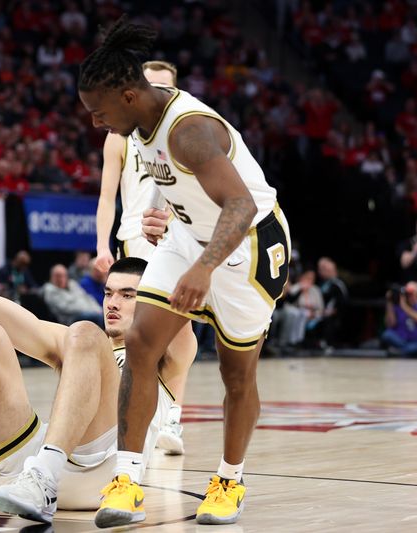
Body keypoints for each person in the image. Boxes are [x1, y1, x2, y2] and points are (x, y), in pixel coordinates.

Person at [79, 18, 291, 526]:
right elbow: (186, 187)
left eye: (98, 112)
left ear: (129, 96)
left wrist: (203, 266)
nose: (94, 123)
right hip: (190, 237)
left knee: (235, 373)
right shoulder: (137, 125)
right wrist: (166, 213)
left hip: (249, 244)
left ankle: (229, 481)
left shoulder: (189, 130)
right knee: (141, 344)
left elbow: (239, 205)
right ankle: (127, 481)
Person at [0, 215, 191, 524]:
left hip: (103, 477)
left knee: (84, 332)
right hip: (30, 470)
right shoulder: (79, 343)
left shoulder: (165, 352)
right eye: (109, 293)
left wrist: (170, 243)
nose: (112, 303)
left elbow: (185, 301)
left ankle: (45, 473)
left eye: (128, 295)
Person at [94, 59, 199, 457]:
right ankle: (130, 415)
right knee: (132, 338)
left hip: (174, 243)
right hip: (131, 244)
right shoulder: (118, 136)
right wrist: (103, 245)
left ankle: (171, 413)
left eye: (163, 86)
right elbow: (106, 197)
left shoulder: (185, 137)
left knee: (180, 328)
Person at [381, 282, 417, 357]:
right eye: (408, 294)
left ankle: (404, 351)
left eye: (412, 294)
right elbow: (391, 324)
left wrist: (403, 306)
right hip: (401, 340)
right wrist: (389, 302)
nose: (410, 297)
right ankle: (411, 350)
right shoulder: (397, 307)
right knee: (387, 334)